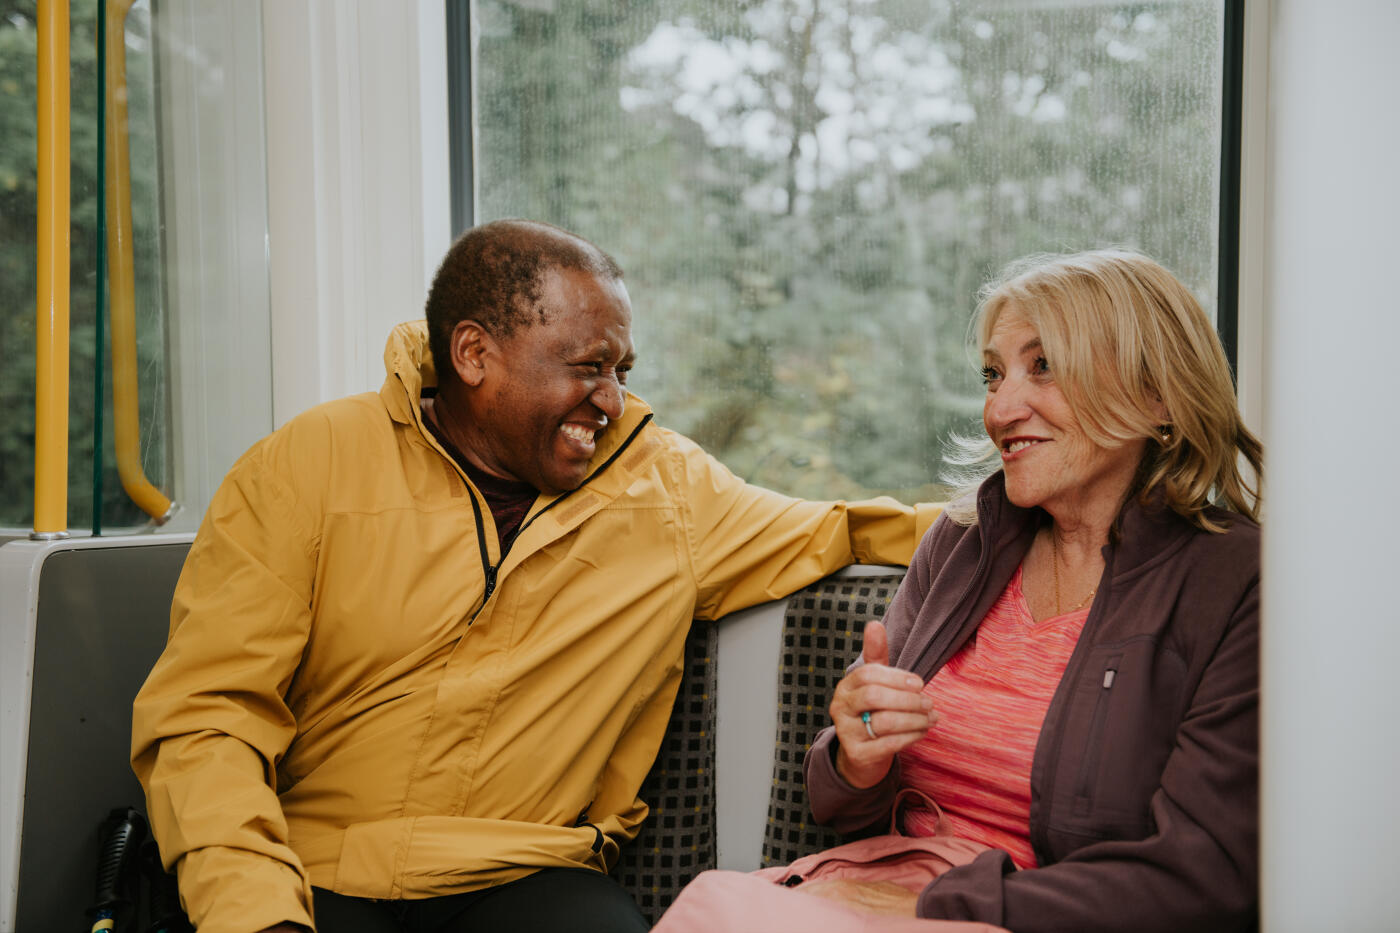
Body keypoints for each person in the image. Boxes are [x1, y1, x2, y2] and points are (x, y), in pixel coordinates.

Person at [130, 219, 939, 933]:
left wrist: (1036, 509)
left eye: (622, 368)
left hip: (530, 876)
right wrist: (253, 913)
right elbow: (207, 720)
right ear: (475, 353)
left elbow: (846, 526)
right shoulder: (305, 466)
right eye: (590, 365)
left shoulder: (668, 488)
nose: (614, 401)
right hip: (312, 872)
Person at [797, 248, 1262, 932]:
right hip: (875, 886)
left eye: (1043, 365)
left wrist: (941, 907)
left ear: (1156, 395)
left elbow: (1203, 877)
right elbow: (840, 801)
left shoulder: (1235, 578)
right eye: (993, 374)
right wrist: (856, 756)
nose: (999, 407)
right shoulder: (960, 542)